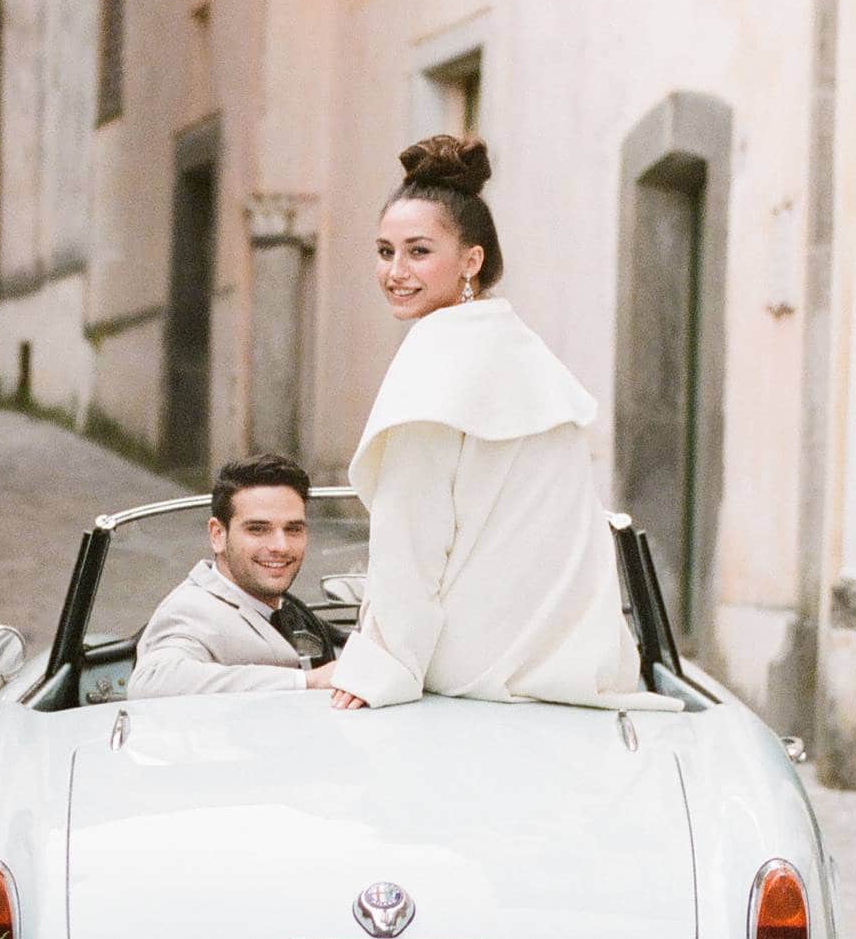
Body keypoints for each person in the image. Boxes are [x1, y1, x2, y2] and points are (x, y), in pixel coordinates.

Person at [330, 133, 668, 713]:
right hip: (573, 666)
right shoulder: (520, 350)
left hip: (470, 670)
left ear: (472, 261)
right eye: (384, 252)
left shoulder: (435, 356)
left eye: (418, 251)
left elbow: (412, 536)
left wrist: (381, 668)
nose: (395, 272)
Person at [128, 453, 338, 699]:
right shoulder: (190, 609)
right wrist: (307, 681)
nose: (281, 546)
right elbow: (151, 681)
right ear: (217, 535)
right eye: (257, 529)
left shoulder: (288, 610)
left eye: (293, 529)